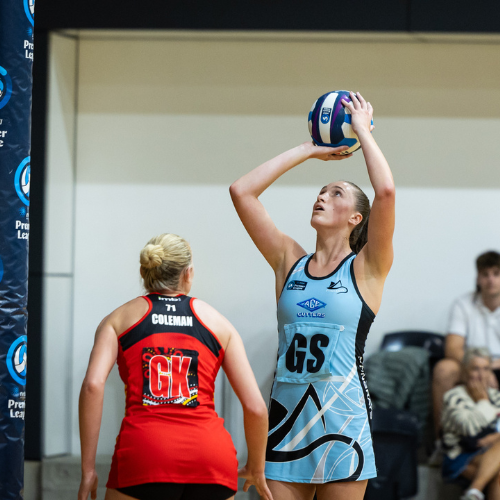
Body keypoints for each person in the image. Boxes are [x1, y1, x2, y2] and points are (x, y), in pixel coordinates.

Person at [230, 92, 395, 500]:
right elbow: (241, 191)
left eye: (336, 193)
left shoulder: (367, 267)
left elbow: (386, 192)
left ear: (356, 217)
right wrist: (310, 150)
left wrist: (362, 131)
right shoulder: (288, 261)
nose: (322, 196)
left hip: (343, 419)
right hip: (287, 419)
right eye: (321, 190)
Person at [77, 233, 273, 500]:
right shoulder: (218, 322)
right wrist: (256, 467)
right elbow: (256, 408)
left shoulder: (118, 319)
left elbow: (92, 386)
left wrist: (88, 469)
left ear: (144, 272)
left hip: (145, 454)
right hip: (211, 458)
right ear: (188, 273)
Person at [433, 251, 500, 436]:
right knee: (444, 369)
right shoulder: (463, 304)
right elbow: (452, 348)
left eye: (496, 273)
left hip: (497, 364)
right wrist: (480, 369)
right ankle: (442, 439)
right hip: (471, 364)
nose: (491, 280)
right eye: (485, 274)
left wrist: (489, 368)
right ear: (478, 278)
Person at [442, 347, 500, 500]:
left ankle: (474, 492)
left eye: (486, 369)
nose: (481, 375)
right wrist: (483, 401)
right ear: (465, 371)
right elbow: (469, 428)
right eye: (476, 369)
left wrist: (495, 437)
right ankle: (475, 490)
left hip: (491, 453)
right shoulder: (454, 396)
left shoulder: (496, 396)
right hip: (460, 456)